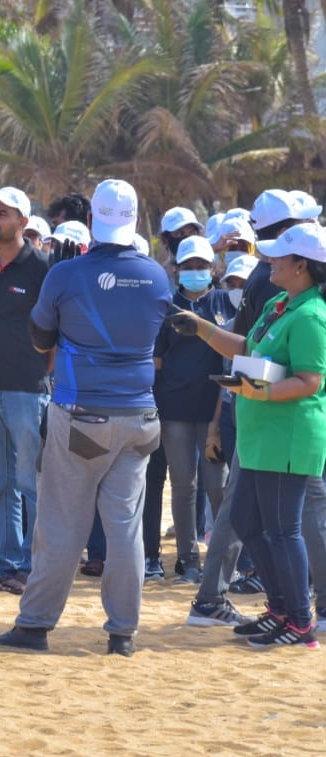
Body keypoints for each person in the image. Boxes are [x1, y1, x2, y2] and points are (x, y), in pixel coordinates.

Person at [0, 179, 172, 657]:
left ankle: (35, 624)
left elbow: (40, 341)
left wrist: (57, 278)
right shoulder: (156, 277)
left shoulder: (66, 274)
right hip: (140, 417)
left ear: (91, 221)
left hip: (82, 416)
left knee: (61, 525)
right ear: (135, 222)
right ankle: (123, 632)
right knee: (124, 527)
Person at [171, 223, 326, 647]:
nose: (269, 260)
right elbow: (247, 348)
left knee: (283, 530)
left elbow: (310, 381)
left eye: (279, 256)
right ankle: (280, 609)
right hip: (261, 434)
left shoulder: (311, 315)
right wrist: (202, 328)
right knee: (245, 520)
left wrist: (260, 392)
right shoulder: (280, 303)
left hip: (288, 436)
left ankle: (300, 621)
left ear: (302, 265)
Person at [0, 185, 50, 594]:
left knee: (30, 483)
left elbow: (56, 333)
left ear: (23, 221)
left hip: (27, 389)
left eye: (2, 213)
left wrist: (43, 375)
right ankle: (8, 566)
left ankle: (36, 569)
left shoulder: (43, 268)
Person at [152, 235, 234, 584]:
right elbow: (157, 361)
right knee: (183, 486)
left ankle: (224, 564)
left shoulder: (226, 303)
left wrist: (218, 420)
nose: (196, 271)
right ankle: (188, 561)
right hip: (174, 410)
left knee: (218, 487)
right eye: (189, 266)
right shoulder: (167, 307)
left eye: (202, 265)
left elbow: (231, 362)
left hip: (214, 412)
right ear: (176, 269)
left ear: (214, 268)